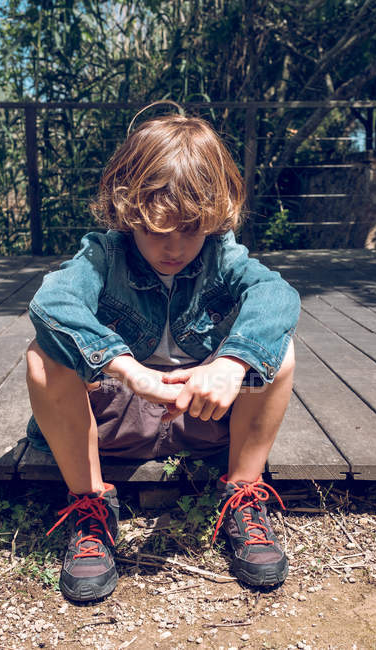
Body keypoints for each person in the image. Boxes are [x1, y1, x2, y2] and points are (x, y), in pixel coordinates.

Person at [25, 102, 300, 602]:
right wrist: (128, 370)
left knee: (277, 352)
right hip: (114, 422)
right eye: (154, 231)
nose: (171, 248)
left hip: (202, 417)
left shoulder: (223, 256)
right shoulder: (102, 255)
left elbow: (277, 296)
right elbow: (51, 301)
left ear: (213, 220)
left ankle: (240, 493)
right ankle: (89, 506)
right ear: (128, 213)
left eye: (190, 230)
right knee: (42, 358)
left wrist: (231, 363)